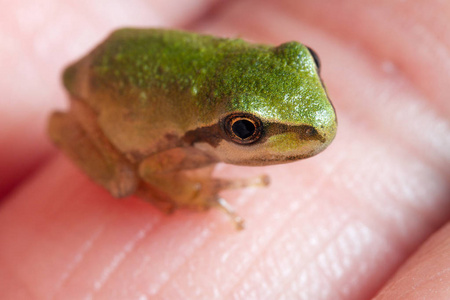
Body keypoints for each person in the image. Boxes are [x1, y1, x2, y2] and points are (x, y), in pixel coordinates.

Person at [0, 1, 449, 299]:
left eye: (306, 60)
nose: (322, 121)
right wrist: (193, 191)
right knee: (124, 180)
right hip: (94, 99)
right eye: (246, 129)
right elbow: (157, 166)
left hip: (129, 51)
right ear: (223, 129)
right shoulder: (186, 145)